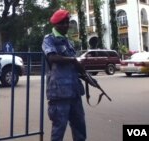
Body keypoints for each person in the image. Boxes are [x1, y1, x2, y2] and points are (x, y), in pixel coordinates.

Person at [42, 9, 86, 141]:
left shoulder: (68, 42)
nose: (67, 25)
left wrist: (86, 75)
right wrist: (73, 60)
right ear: (56, 25)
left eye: (67, 22)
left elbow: (74, 67)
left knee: (80, 129)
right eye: (63, 23)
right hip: (59, 94)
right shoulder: (49, 40)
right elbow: (52, 58)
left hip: (74, 92)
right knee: (58, 131)